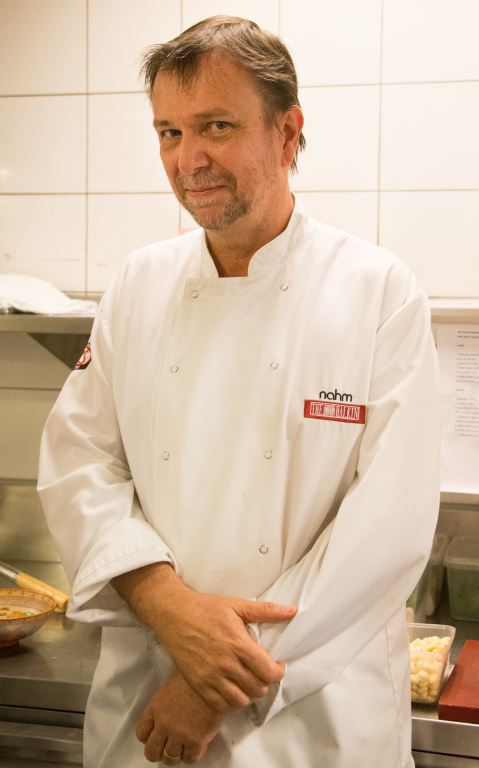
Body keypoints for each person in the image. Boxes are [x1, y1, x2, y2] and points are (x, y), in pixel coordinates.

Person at [38, 15, 441, 768]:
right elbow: (78, 464)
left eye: (215, 126)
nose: (188, 159)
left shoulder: (378, 292)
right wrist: (167, 605)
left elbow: (386, 530)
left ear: (287, 133)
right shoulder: (138, 284)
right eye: (169, 132)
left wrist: (217, 680)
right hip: (147, 699)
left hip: (309, 722)